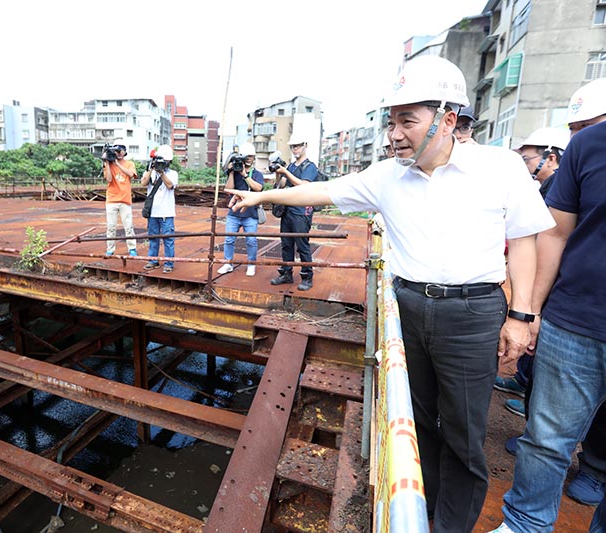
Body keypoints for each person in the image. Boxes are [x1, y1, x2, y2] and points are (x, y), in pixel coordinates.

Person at [227, 55, 555, 533]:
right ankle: (422, 508)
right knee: (417, 423)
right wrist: (261, 196)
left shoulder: (499, 168)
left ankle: (450, 526)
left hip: (472, 312)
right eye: (391, 122)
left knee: (464, 432)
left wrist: (522, 314)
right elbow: (320, 192)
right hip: (407, 309)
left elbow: (526, 239)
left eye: (407, 120)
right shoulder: (386, 176)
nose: (394, 134)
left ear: (446, 119)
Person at [490, 82, 606, 533]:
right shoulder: (590, 147)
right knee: (547, 439)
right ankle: (524, 523)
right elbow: (554, 234)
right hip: (576, 321)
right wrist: (528, 312)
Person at [497, 126, 571, 422]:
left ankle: (534, 405)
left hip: (549, 274)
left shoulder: (558, 186)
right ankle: (522, 381)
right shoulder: (545, 186)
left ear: (550, 157)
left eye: (528, 159)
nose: (526, 165)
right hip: (539, 268)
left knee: (536, 339)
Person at [269, 133, 319, 291]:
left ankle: (307, 277)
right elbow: (281, 184)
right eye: (292, 146)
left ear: (305, 145)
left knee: (302, 245)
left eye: (297, 146)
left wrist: (286, 171)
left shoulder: (310, 166)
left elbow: (304, 185)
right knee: (286, 245)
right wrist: (278, 173)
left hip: (301, 213)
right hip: (287, 211)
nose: (295, 149)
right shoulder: (291, 166)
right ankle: (286, 273)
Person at [217, 142, 264, 277]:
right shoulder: (235, 173)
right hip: (234, 214)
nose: (249, 159)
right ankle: (228, 263)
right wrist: (231, 173)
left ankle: (251, 264)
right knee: (229, 240)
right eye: (247, 156)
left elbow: (258, 188)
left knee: (251, 241)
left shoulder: (257, 174)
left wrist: (244, 174)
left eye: (251, 156)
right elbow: (228, 189)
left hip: (251, 214)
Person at [140, 144, 178, 273]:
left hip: (166, 212)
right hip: (153, 212)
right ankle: (153, 260)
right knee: (153, 238)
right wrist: (151, 169)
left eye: (165, 161)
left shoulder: (173, 174)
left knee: (168, 239)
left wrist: (161, 173)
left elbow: (169, 185)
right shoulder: (151, 172)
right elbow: (143, 183)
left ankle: (169, 263)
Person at [102, 138, 138, 257]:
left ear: (125, 151)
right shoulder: (109, 164)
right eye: (117, 150)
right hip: (112, 199)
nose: (119, 152)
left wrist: (117, 163)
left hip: (125, 200)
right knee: (111, 227)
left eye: (121, 150)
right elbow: (109, 179)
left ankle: (132, 248)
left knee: (128, 226)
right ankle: (110, 249)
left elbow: (131, 174)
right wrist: (107, 162)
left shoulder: (129, 164)